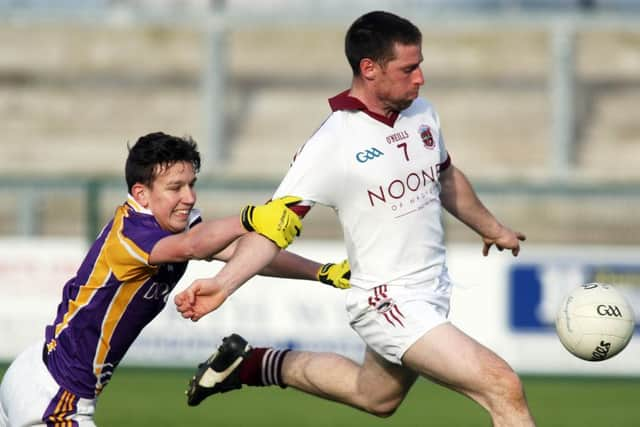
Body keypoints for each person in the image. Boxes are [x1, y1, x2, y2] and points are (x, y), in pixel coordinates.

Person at [175, 10, 536, 426]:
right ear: (370, 69)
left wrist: (493, 229)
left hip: (431, 292)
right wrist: (223, 284)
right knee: (502, 384)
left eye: (420, 65)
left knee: (376, 396)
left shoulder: (423, 115)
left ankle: (250, 365)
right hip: (387, 301)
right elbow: (272, 229)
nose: (420, 78)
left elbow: (446, 176)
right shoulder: (333, 142)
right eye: (409, 68)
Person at [0, 132, 350, 426]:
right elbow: (192, 246)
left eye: (192, 184)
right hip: (56, 399)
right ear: (141, 194)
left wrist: (320, 272)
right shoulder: (131, 234)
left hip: (34, 371)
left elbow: (243, 253)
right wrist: (252, 216)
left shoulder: (170, 223)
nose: (189, 197)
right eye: (175, 187)